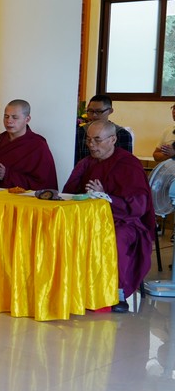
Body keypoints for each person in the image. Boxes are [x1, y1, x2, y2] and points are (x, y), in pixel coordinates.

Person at [64, 120, 154, 311]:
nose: (91, 145)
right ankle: (72, 287)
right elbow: (70, 192)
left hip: (123, 221)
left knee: (116, 238)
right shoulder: (86, 163)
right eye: (88, 139)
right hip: (89, 218)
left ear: (113, 139)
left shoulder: (128, 164)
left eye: (97, 140)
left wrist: (105, 196)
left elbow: (138, 206)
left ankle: (117, 292)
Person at [0, 99, 58, 191]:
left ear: (27, 119)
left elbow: (43, 182)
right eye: (6, 116)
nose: (9, 121)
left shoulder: (38, 145)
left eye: (15, 117)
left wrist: (7, 175)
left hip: (25, 198)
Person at [74, 94, 133, 165]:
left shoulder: (122, 134)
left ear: (110, 111)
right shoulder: (79, 132)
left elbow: (126, 163)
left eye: (99, 111)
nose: (94, 115)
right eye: (91, 111)